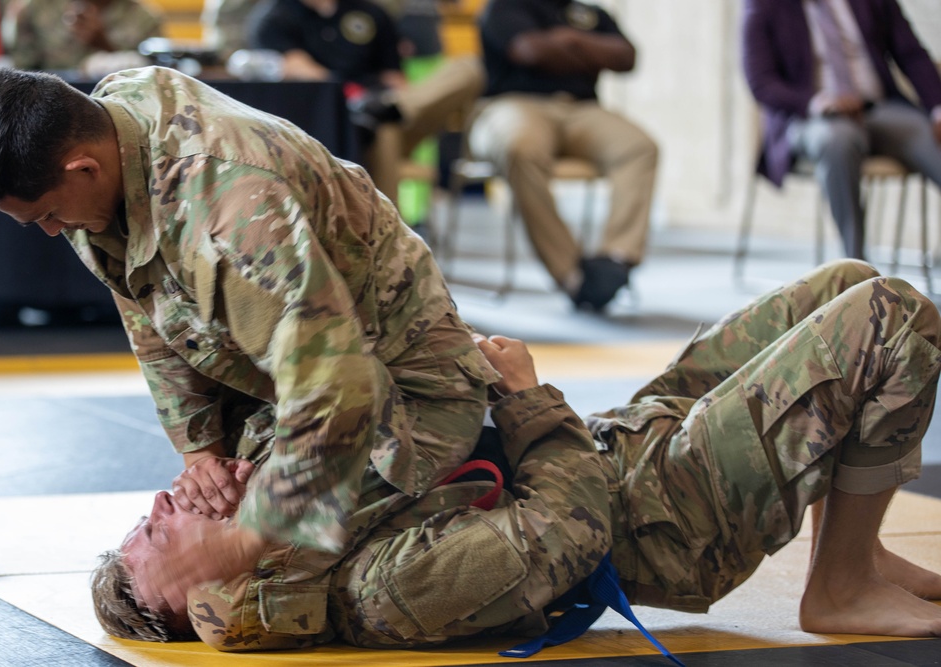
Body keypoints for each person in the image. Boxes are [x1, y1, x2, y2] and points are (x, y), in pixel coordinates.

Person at [91, 259, 941, 648]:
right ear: (213, 594)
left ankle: (855, 552)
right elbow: (572, 524)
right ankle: (837, 589)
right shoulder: (386, 591)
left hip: (622, 442)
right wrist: (525, 396)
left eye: (153, 510)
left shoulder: (286, 495)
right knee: (892, 315)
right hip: (668, 514)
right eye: (159, 533)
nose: (165, 503)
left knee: (842, 281)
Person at [0, 65, 499, 621]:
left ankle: (541, 462)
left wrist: (244, 540)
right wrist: (201, 450)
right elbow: (144, 304)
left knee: (245, 596)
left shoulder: (231, 215)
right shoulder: (109, 124)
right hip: (283, 369)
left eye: (47, 214)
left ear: (83, 167)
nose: (50, 230)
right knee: (201, 539)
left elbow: (338, 387)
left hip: (405, 389)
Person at [470, 0, 658, 312]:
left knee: (639, 147)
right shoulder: (505, 7)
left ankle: (615, 259)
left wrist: (569, 40)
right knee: (521, 148)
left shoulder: (592, 13)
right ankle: (571, 274)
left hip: (582, 109)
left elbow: (626, 57)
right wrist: (589, 50)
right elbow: (529, 51)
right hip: (514, 104)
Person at [742, 0, 941, 261]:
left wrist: (938, 105)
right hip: (809, 118)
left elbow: (911, 53)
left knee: (931, 137)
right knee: (838, 140)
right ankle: (856, 267)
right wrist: (814, 102)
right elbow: (761, 81)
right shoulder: (764, 5)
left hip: (878, 108)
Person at [249, 0, 486, 208]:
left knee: (468, 68)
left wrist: (387, 102)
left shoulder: (370, 12)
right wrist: (356, 98)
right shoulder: (275, 17)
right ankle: (389, 242)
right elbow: (305, 72)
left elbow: (394, 79)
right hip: (333, 125)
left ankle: (382, 110)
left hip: (387, 108)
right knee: (383, 128)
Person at [4, 0, 162, 72]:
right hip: (48, 107)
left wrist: (103, 43)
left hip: (118, 108)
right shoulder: (36, 8)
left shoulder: (144, 18)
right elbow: (22, 69)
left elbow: (150, 79)